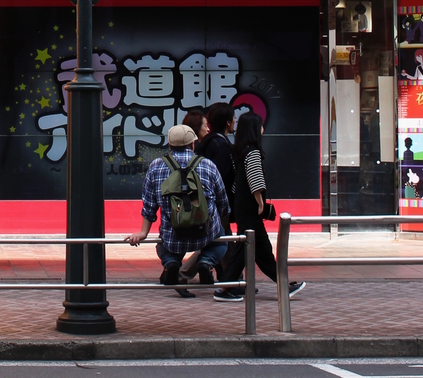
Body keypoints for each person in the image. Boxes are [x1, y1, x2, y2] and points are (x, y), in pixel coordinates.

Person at [125, 124, 230, 298]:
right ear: (192, 145)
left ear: (169, 145)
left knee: (162, 244)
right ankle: (206, 262)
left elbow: (149, 205)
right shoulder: (207, 165)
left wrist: (144, 232)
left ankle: (171, 262)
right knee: (221, 241)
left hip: (173, 237)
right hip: (205, 234)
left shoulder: (156, 166)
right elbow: (223, 203)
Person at [216, 111, 306, 303]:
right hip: (250, 208)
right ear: (255, 129)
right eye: (261, 125)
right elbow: (256, 180)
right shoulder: (253, 152)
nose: (263, 129)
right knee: (257, 247)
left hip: (241, 207)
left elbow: (236, 183)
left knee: (253, 248)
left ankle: (228, 286)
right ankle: (280, 284)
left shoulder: (240, 151)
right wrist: (259, 202)